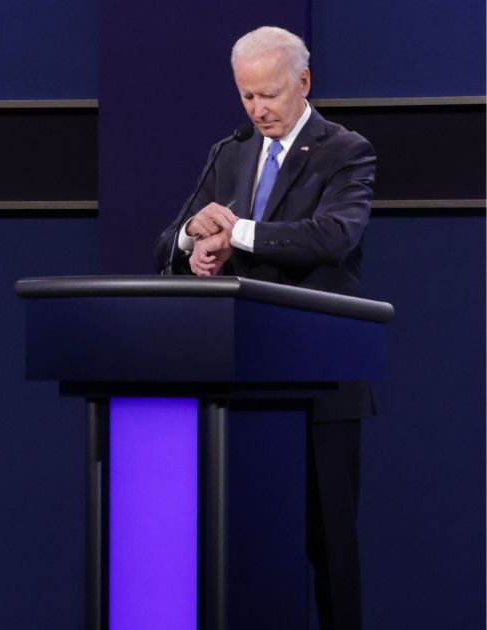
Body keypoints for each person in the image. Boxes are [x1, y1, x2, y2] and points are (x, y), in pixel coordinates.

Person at [155, 26, 375, 630]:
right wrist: (194, 241)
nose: (257, 110)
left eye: (270, 95)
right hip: (240, 381)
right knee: (240, 545)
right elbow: (168, 243)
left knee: (331, 552)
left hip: (320, 380)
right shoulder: (231, 153)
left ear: (304, 82)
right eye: (246, 97)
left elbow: (334, 237)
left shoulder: (345, 150)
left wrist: (239, 232)